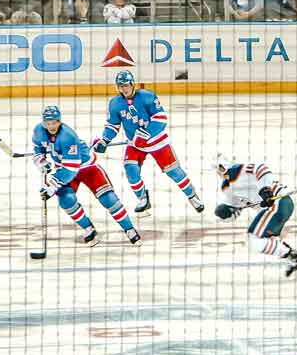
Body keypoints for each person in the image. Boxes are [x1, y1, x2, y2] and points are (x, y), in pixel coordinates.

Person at [95, 69, 205, 215]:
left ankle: (193, 196)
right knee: (131, 171)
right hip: (135, 145)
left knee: (174, 173)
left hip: (157, 142)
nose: (124, 88)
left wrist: (145, 134)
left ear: (132, 84)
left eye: (126, 85)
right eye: (120, 86)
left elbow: (160, 119)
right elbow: (112, 125)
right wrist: (105, 139)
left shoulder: (147, 96)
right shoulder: (115, 103)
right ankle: (143, 199)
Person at [32, 105, 141, 247]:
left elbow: (71, 168)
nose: (51, 126)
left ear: (59, 121)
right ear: (43, 122)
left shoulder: (67, 136)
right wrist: (41, 162)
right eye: (48, 123)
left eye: (54, 122)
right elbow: (38, 150)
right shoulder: (38, 131)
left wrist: (52, 186)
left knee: (109, 199)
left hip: (87, 168)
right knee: (66, 200)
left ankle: (129, 229)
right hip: (65, 170)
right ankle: (88, 228)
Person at [210, 156, 297, 277]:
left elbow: (262, 169)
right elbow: (234, 210)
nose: (217, 173)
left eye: (217, 169)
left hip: (278, 202)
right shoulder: (226, 188)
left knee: (254, 241)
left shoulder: (241, 170)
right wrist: (225, 214)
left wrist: (265, 190)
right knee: (262, 240)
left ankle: (296, 258)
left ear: (222, 167)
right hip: (273, 208)